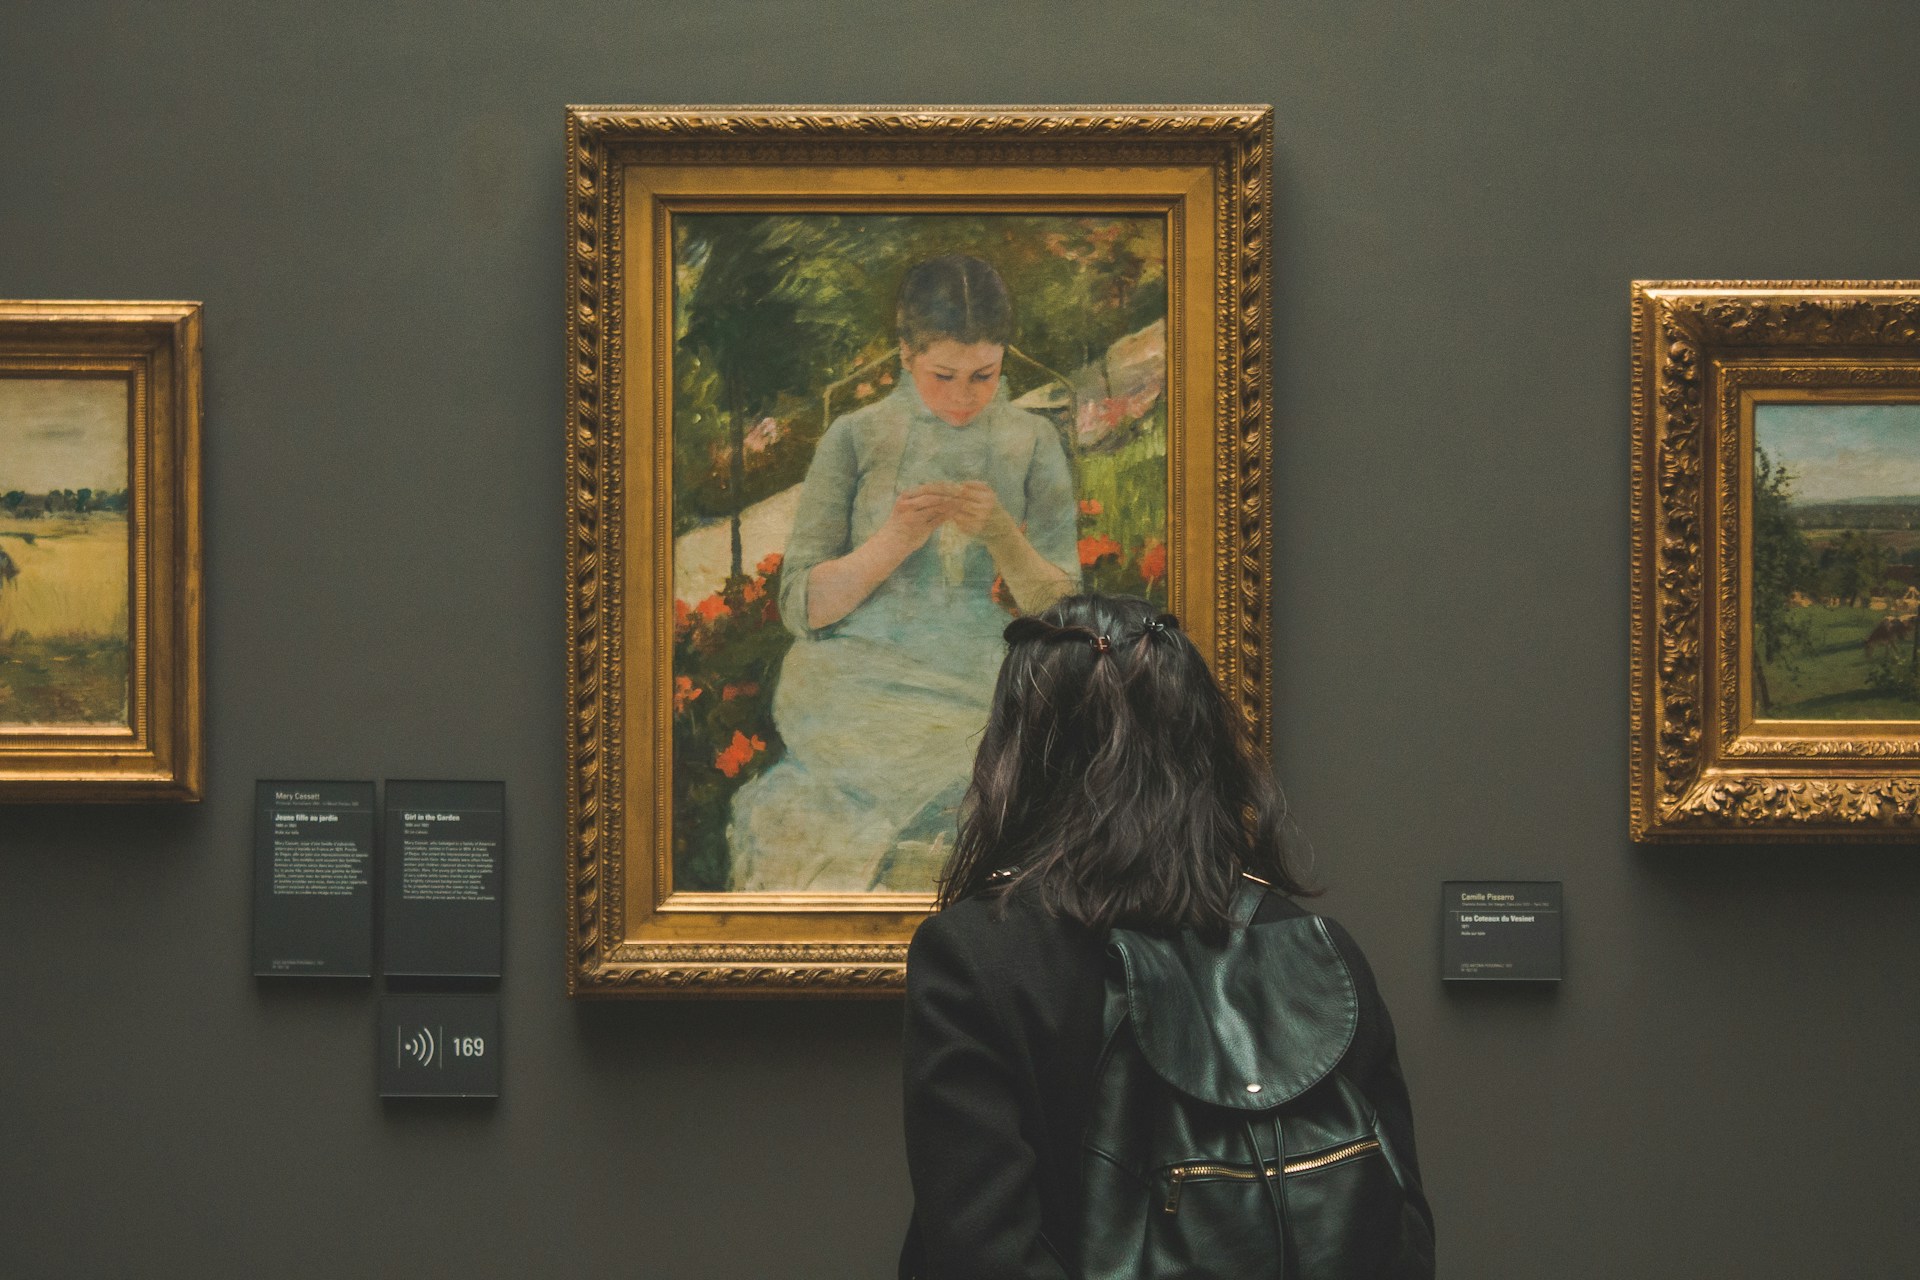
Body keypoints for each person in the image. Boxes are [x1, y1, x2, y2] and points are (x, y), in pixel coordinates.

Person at [899, 593, 1433, 1278]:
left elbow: (983, 1254)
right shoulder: (1317, 947)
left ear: (1021, 749)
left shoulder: (975, 956)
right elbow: (1400, 1231)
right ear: (1199, 740)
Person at [726, 254, 1080, 892]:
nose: (962, 398)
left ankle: (923, 853)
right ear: (905, 355)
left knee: (991, 752)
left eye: (984, 376)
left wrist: (1003, 535)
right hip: (855, 678)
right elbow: (802, 606)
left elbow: (1065, 612)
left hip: (980, 675)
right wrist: (891, 542)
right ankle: (907, 851)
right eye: (942, 374)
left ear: (1004, 358)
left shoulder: (1031, 441)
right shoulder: (856, 436)